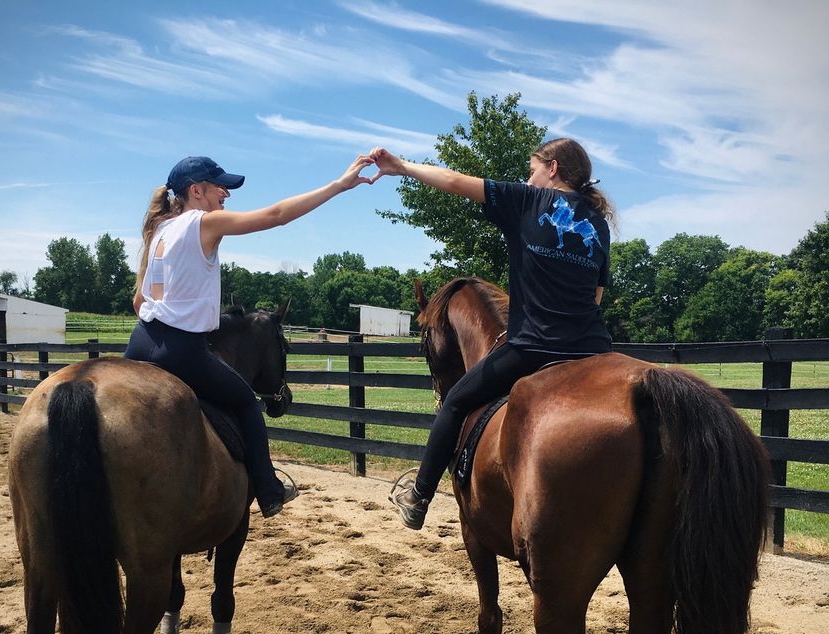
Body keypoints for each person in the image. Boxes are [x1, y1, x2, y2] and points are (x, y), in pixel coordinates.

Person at [372, 138, 615, 529]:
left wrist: (401, 166)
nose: (528, 176)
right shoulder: (598, 224)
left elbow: (452, 181)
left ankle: (418, 496)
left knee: (453, 403)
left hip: (534, 348)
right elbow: (596, 298)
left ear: (552, 169)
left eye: (532, 168)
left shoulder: (526, 201)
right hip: (594, 353)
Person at [126, 153, 376, 517]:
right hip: (182, 350)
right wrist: (339, 185)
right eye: (219, 188)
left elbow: (139, 301)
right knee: (245, 402)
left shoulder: (159, 229)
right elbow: (276, 216)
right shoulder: (202, 223)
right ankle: (269, 490)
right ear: (196, 191)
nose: (225, 195)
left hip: (141, 341)